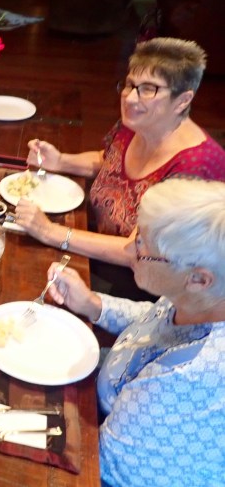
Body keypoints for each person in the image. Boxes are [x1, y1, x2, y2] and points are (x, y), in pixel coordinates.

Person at [44, 179, 225, 486]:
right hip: (104, 410)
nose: (130, 249)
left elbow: (98, 465)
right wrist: (93, 304)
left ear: (198, 279)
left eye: (142, 246)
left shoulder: (191, 376)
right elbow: (157, 319)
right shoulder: (200, 300)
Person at [15, 37, 225, 300]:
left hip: (140, 290)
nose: (130, 98)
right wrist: (61, 161)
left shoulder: (196, 166)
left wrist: (50, 232)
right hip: (94, 252)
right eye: (129, 84)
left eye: (148, 89)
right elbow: (109, 159)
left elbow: (137, 252)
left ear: (183, 100)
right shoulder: (135, 123)